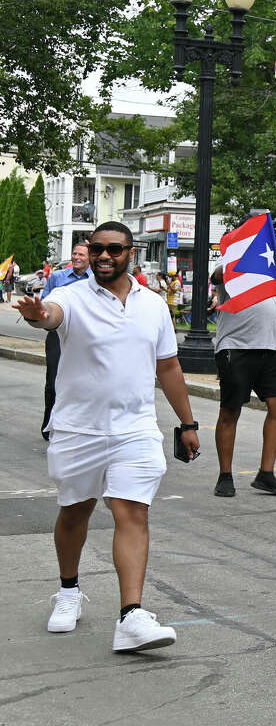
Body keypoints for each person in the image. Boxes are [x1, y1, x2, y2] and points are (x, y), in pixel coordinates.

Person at [16, 221, 199, 653]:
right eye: (96, 248)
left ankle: (130, 617)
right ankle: (68, 591)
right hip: (78, 429)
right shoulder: (70, 296)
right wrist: (39, 315)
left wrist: (188, 423)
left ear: (130, 253)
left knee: (132, 511)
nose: (103, 256)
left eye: (113, 249)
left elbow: (168, 367)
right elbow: (51, 316)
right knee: (75, 512)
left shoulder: (153, 305)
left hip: (135, 429)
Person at [209, 262, 276, 497]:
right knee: (230, 411)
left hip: (270, 349)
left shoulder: (269, 267)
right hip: (235, 349)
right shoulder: (230, 260)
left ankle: (266, 474)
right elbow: (217, 277)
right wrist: (240, 258)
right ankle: (225, 475)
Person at [40, 241, 92, 440]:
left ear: (90, 259)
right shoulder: (57, 277)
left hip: (85, 336)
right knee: (53, 382)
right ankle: (48, 425)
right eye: (75, 254)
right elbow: (45, 302)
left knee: (84, 382)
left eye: (82, 255)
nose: (77, 257)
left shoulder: (95, 280)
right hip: (58, 334)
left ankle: (78, 426)